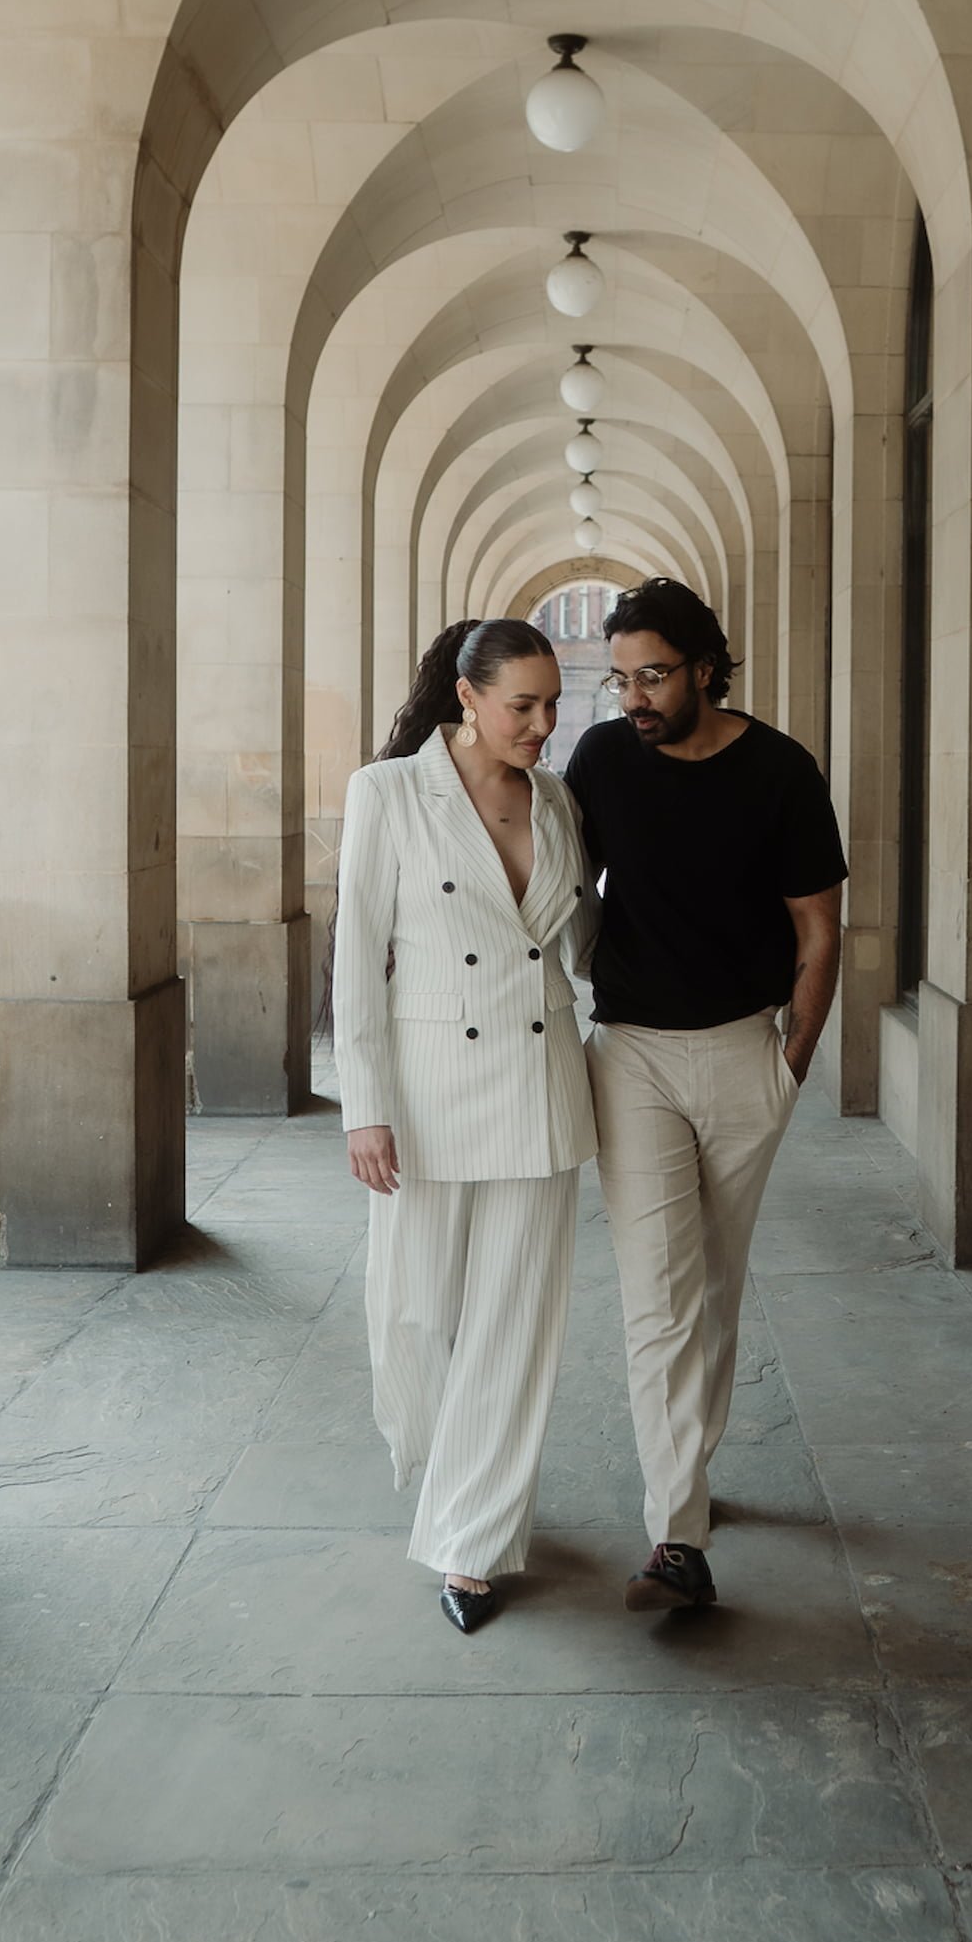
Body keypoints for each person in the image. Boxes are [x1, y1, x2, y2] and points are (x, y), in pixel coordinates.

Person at [564, 578, 845, 1614]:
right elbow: (548, 873)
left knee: (712, 1282)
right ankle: (675, 1534)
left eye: (653, 675)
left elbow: (819, 934)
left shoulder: (779, 771)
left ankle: (691, 1472)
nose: (632, 696)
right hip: (629, 1053)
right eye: (620, 676)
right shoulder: (598, 758)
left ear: (704, 668)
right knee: (657, 1290)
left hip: (741, 1053)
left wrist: (790, 1063)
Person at [332, 618, 596, 1636]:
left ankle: (471, 1543)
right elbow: (357, 959)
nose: (543, 723)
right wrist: (366, 1108)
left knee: (514, 1325)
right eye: (522, 704)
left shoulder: (559, 799)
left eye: (552, 703)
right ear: (466, 696)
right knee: (414, 1314)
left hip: (539, 1082)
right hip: (430, 1091)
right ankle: (451, 1471)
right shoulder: (388, 792)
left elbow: (582, 942)